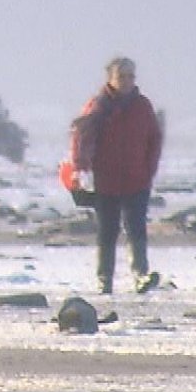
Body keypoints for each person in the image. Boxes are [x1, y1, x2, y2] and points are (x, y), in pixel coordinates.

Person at [71, 56, 164, 295]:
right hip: (105, 181)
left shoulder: (142, 106)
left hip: (137, 179)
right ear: (110, 79)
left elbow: (154, 139)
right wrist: (81, 172)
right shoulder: (98, 106)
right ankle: (105, 280)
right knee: (108, 231)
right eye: (121, 77)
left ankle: (141, 276)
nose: (126, 81)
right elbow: (80, 140)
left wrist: (148, 170)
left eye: (130, 76)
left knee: (136, 229)